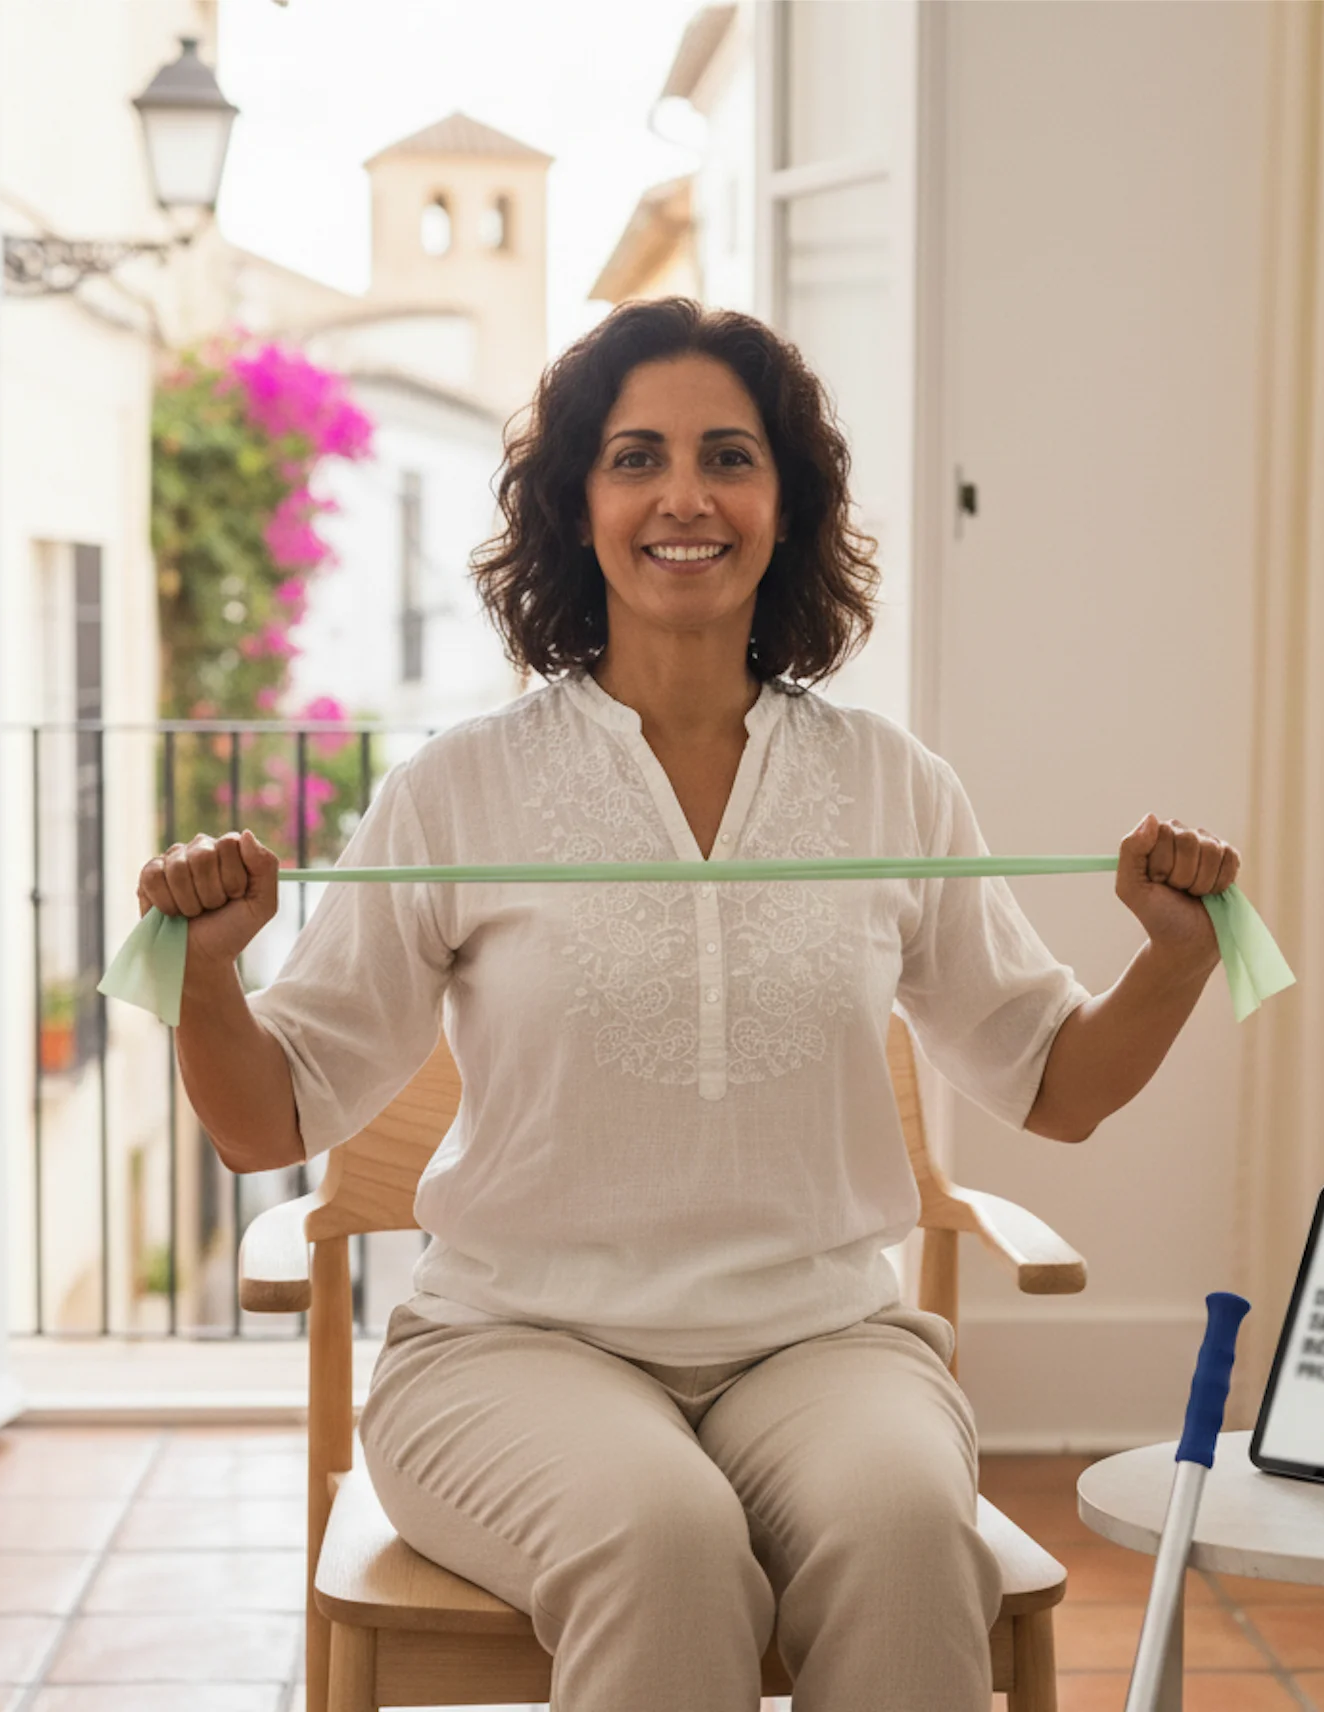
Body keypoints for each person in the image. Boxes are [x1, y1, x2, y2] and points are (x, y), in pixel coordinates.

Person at [134, 298, 1244, 1712]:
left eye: (728, 456)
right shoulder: (456, 789)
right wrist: (208, 974)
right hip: (509, 1349)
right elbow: (261, 1119)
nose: (683, 495)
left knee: (911, 1539)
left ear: (784, 504)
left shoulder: (887, 782)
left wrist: (1172, 955)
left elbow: (1055, 1085)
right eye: (635, 457)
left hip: (823, 1342)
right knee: (668, 1545)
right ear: (574, 506)